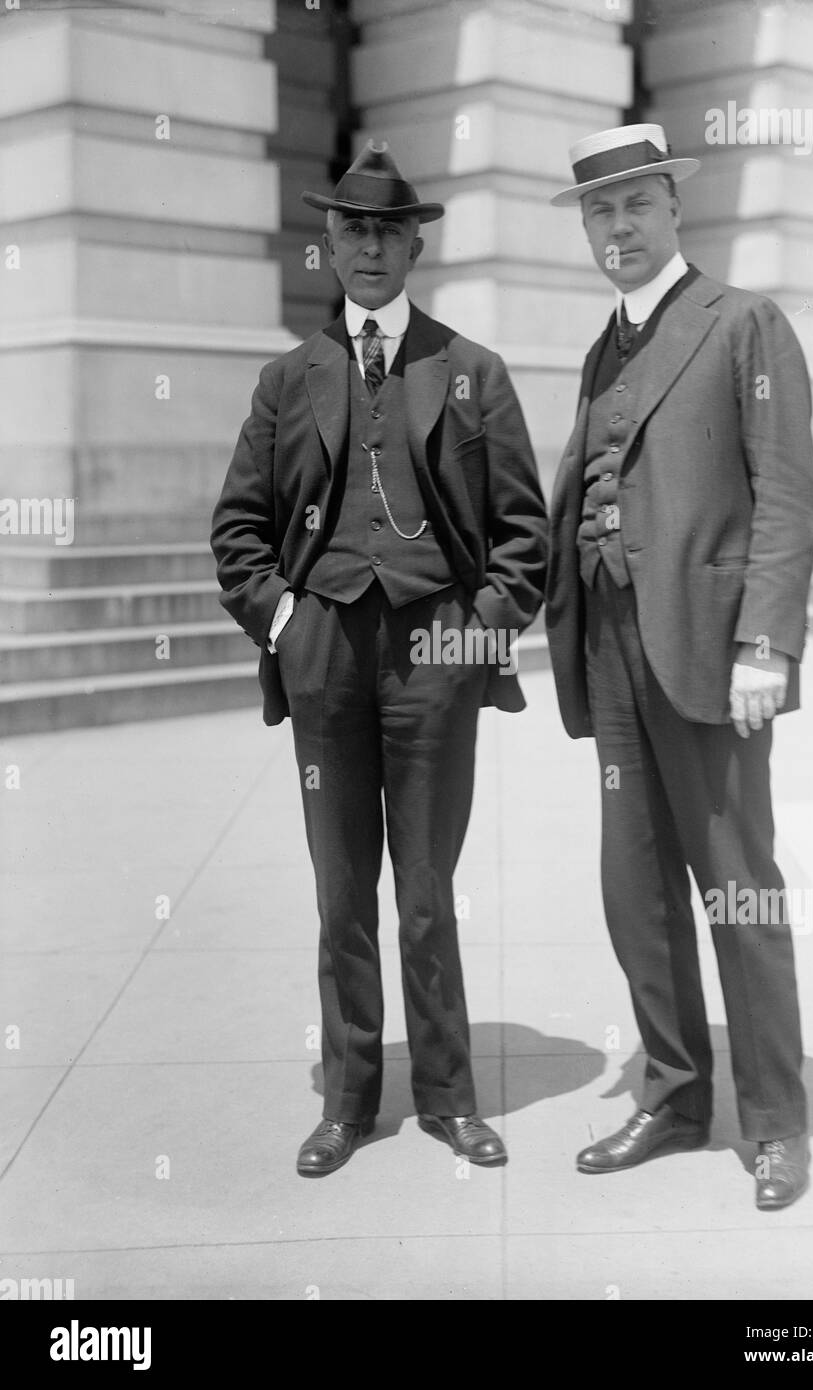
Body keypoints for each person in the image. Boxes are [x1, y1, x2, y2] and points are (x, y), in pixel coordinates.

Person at [212, 141, 547, 1176]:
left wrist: (475, 630)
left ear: (414, 246)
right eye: (351, 229)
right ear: (328, 242)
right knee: (340, 890)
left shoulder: (470, 371)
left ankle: (447, 1096)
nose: (368, 247)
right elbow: (237, 533)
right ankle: (349, 1100)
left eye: (387, 231)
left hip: (433, 657)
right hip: (324, 660)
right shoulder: (287, 380)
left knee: (426, 890)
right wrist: (287, 624)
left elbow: (523, 538)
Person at [546, 124, 813, 1209]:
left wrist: (765, 640)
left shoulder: (742, 323)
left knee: (737, 889)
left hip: (708, 651)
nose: (615, 228)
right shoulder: (598, 349)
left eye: (632, 205)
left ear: (672, 206)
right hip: (610, 648)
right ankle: (671, 1093)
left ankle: (772, 1121)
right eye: (595, 212)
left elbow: (787, 497)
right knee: (635, 890)